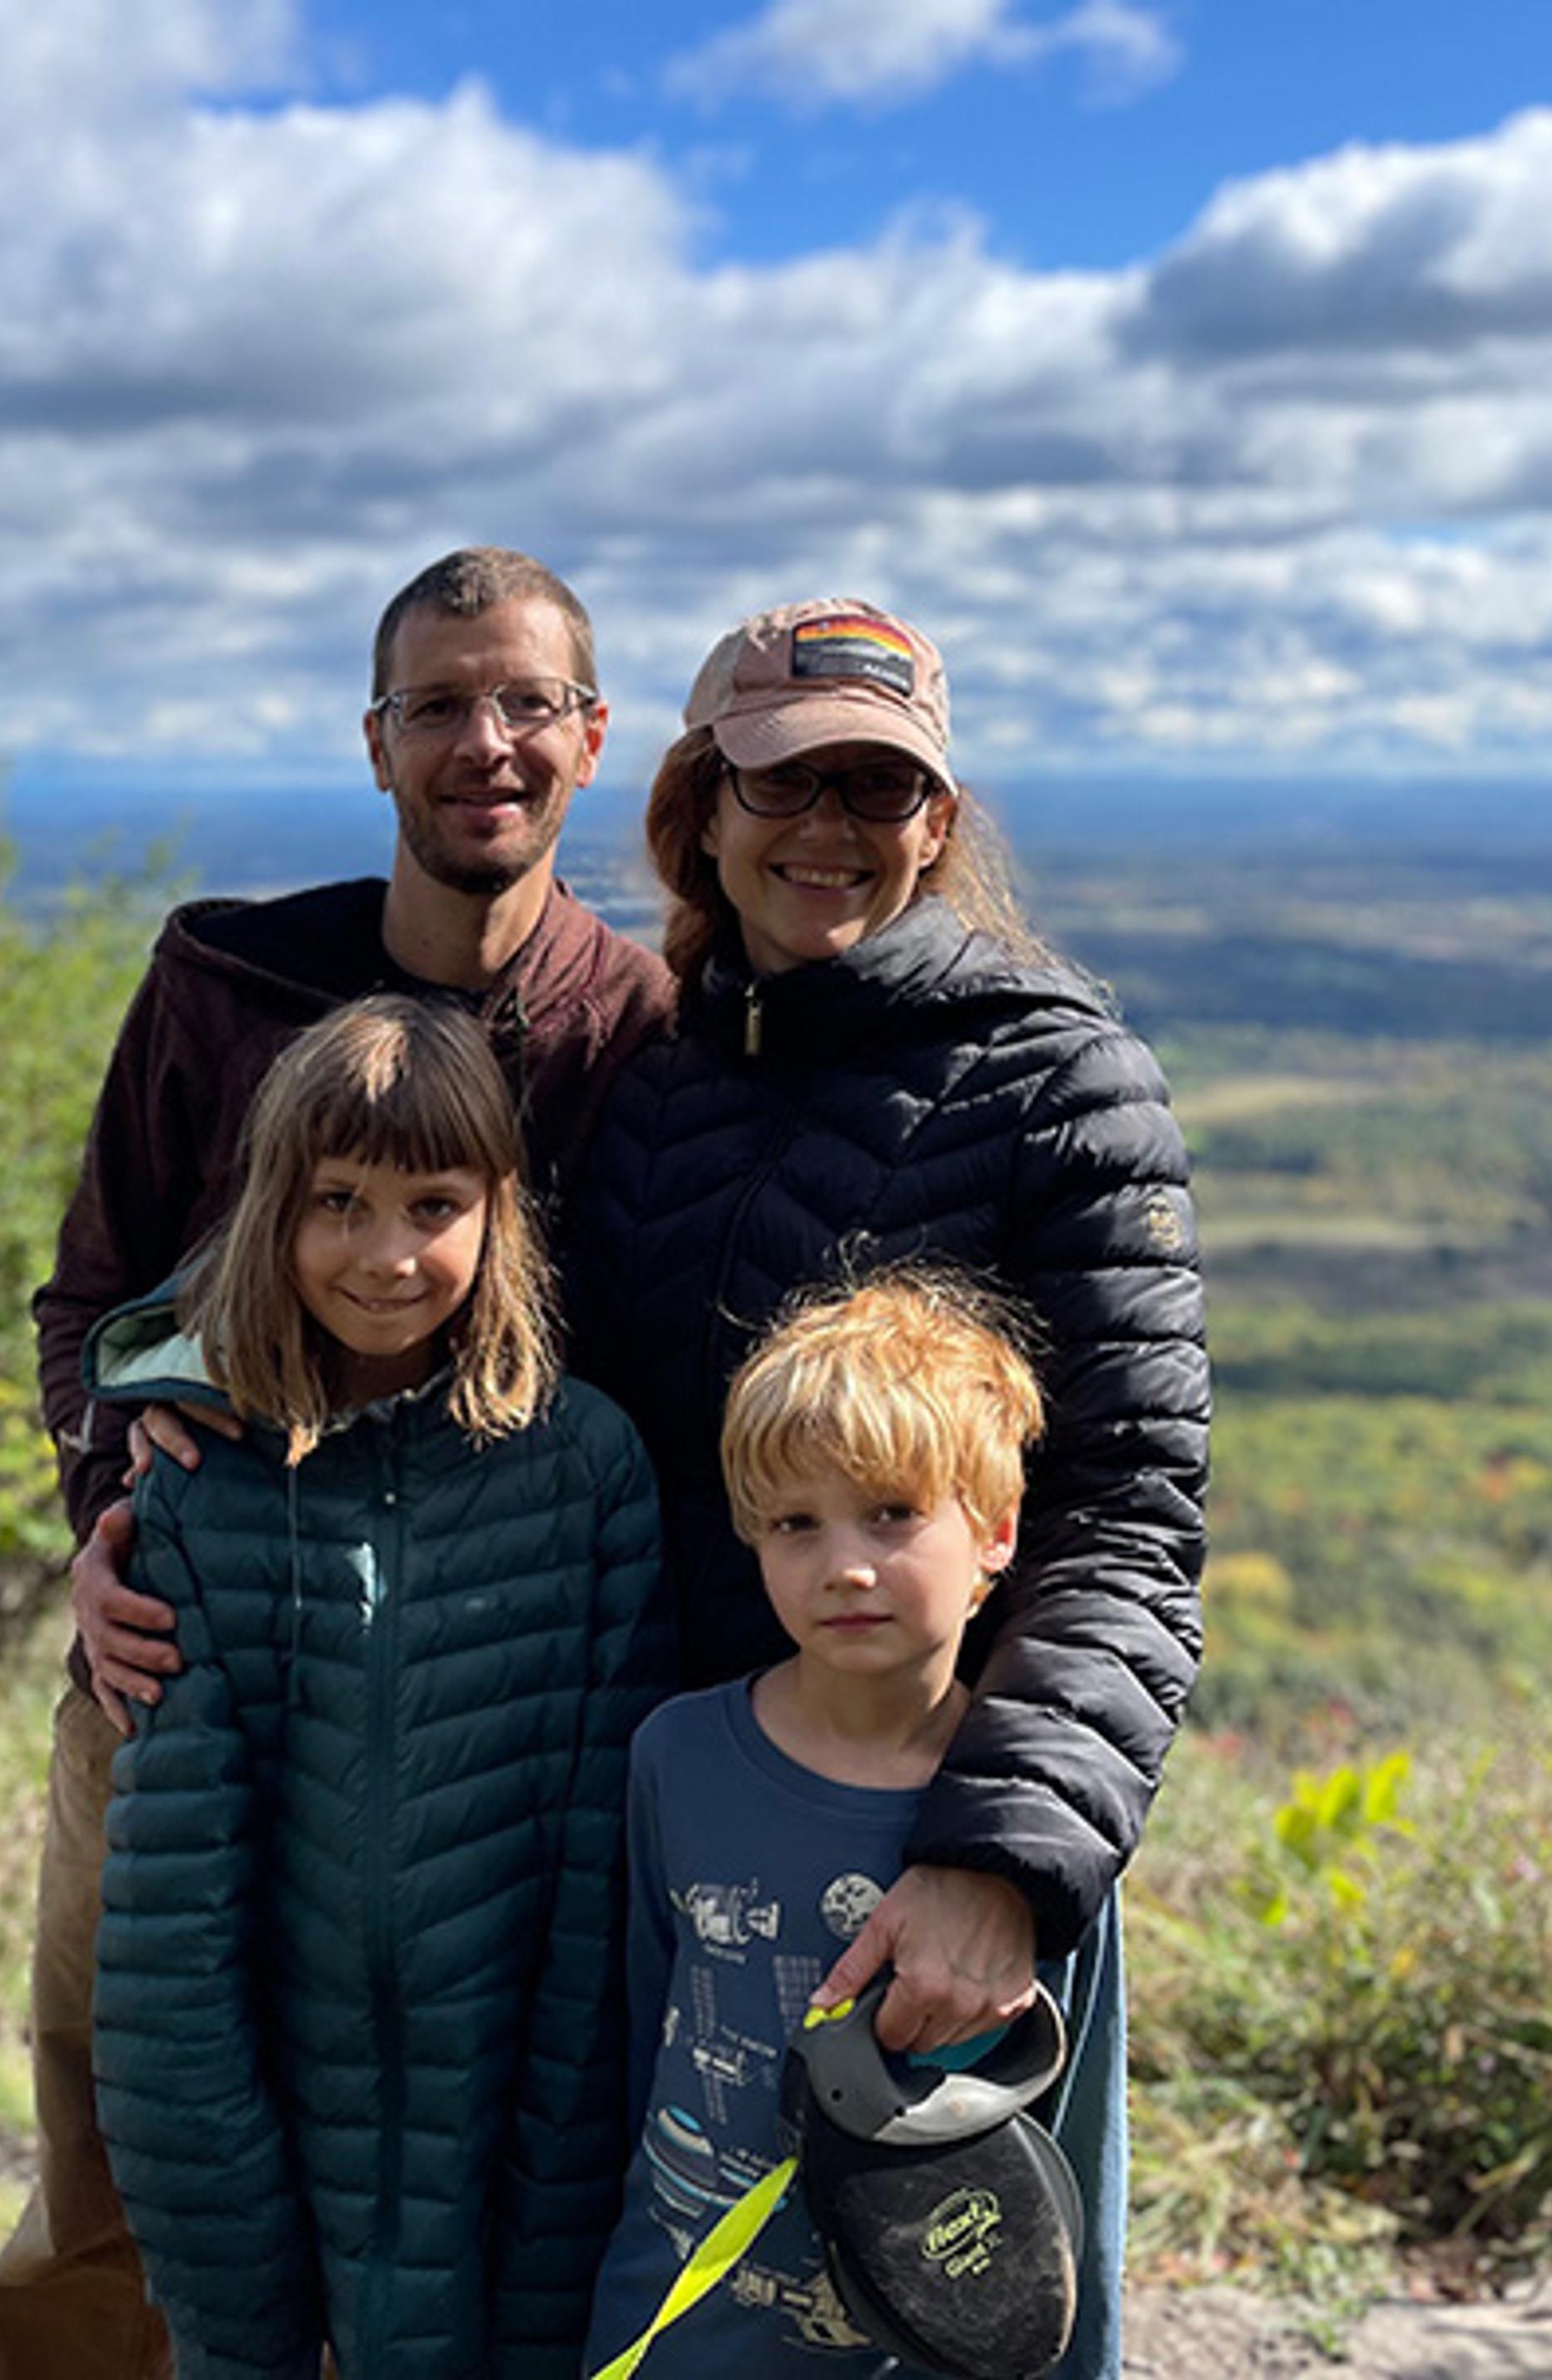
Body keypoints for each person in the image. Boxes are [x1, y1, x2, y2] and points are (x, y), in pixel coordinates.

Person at [0, 548, 675, 2379]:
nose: (485, 742)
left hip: (489, 1724)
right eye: (440, 704)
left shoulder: (637, 1029)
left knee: (475, 2181)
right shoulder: (225, 978)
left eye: (527, 703)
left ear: (592, 741)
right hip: (195, 1660)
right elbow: (92, 1299)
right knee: (120, 2132)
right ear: (377, 744)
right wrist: (109, 1520)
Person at [564, 598, 1208, 2380]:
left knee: (955, 2313)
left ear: (938, 819)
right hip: (694, 1818)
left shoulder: (1056, 1073)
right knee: (686, 2268)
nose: (831, 827)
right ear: (700, 804)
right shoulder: (659, 1075)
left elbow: (1133, 1508)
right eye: (784, 782)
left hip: (933, 1841)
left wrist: (999, 1865)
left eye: (879, 785)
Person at [89, 995, 672, 2378]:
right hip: (275, 2134)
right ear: (273, 1207)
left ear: (498, 1214)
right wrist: (244, 2307)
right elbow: (172, 1947)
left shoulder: (584, 1471)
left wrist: (565, 2215)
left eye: (433, 1203)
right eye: (339, 1200)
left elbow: (601, 1887)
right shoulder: (203, 1480)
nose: (387, 1252)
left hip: (523, 2131)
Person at [583, 1267, 1089, 2377]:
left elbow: (1075, 2148)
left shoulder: (1025, 1825)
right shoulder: (677, 1756)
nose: (845, 1565)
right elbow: (636, 2048)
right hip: (680, 2337)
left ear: (996, 1532)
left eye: (894, 1513)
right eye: (795, 1523)